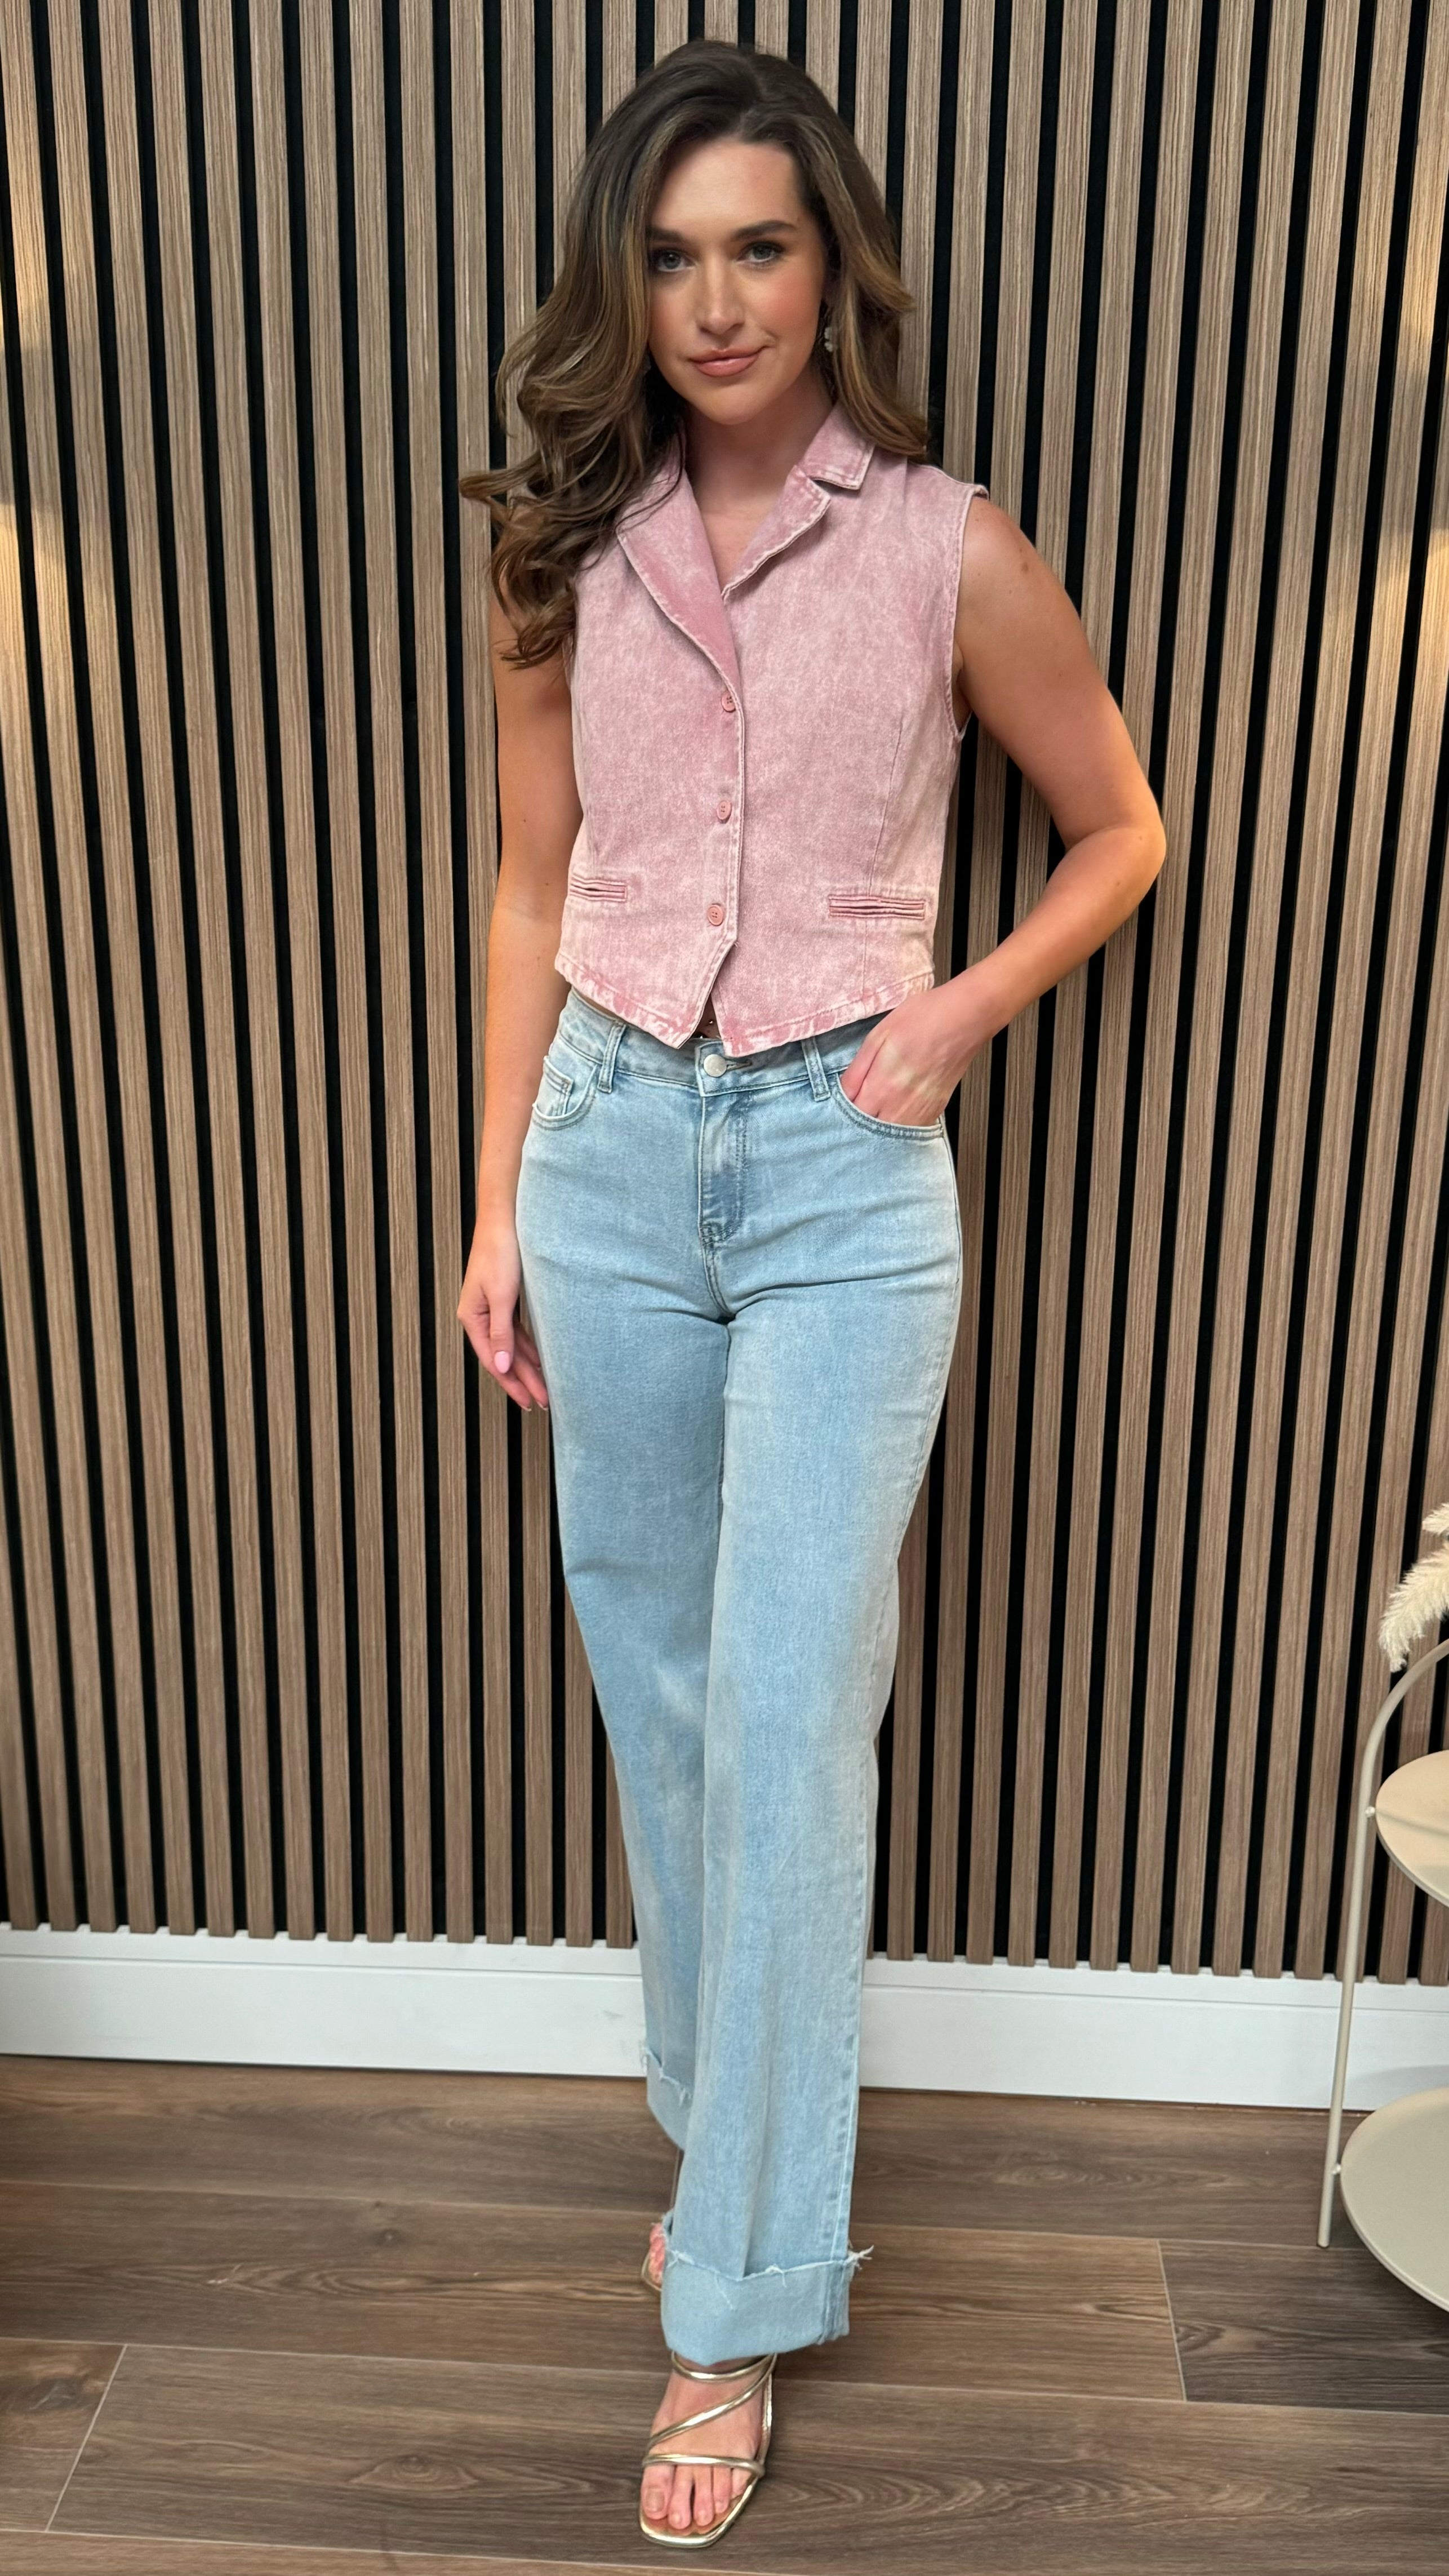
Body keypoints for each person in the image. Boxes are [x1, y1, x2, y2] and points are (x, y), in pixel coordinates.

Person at [457, 39, 1165, 2552]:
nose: (718, 299)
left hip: (848, 1176)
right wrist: (495, 1200)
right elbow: (532, 878)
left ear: (828, 262)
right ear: (623, 285)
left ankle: (736, 2304)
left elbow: (1119, 826)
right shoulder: (562, 547)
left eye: (759, 245)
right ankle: (724, 2148)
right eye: (670, 256)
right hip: (607, 1154)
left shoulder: (951, 548)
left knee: (786, 1718)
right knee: (661, 1699)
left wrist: (957, 1007)